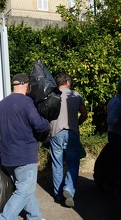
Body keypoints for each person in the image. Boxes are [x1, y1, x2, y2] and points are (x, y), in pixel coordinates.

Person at [0, 73, 50, 220]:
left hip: (7, 155)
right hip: (24, 154)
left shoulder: (1, 105)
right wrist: (47, 122)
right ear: (26, 84)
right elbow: (39, 125)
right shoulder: (27, 103)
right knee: (24, 189)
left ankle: (34, 219)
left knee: (24, 187)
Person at [49, 73, 87, 208]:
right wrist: (76, 123)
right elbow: (84, 114)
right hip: (71, 133)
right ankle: (69, 189)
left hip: (55, 133)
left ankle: (58, 194)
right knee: (72, 163)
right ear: (67, 81)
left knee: (56, 164)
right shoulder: (75, 95)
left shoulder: (52, 95)